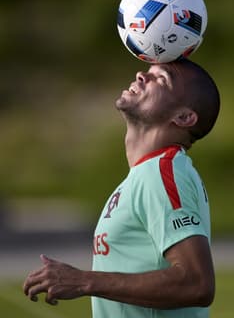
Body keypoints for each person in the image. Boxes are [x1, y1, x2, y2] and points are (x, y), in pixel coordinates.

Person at [23, 57, 220, 318]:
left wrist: (84, 281)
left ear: (183, 117)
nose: (141, 76)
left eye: (161, 79)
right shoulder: (146, 173)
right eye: (148, 71)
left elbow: (197, 283)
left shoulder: (162, 171)